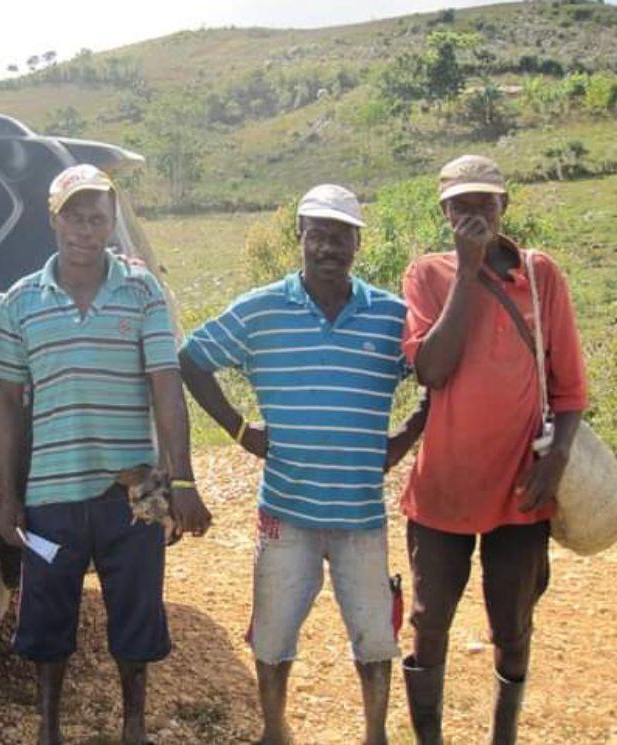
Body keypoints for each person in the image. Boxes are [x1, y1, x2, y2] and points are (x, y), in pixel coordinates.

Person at [179, 184, 426, 745]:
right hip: (285, 510)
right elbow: (191, 359)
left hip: (361, 514)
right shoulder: (261, 309)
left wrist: (405, 437)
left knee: (374, 637)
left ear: (358, 243)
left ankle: (375, 735)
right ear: (300, 238)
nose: (328, 248)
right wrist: (241, 431)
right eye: (318, 235)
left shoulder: (392, 316)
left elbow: (439, 373)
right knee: (272, 636)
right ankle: (274, 731)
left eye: (341, 236)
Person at [0, 164, 213, 745]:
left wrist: (180, 481)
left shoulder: (142, 291)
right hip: (51, 491)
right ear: (53, 219)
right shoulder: (20, 301)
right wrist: (8, 496)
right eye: (75, 216)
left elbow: (166, 383)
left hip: (133, 493)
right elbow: (7, 403)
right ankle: (48, 727)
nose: (86, 229)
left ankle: (133, 724)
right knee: (48, 615)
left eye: (98, 218)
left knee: (136, 612)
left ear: (111, 225)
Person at [399, 155, 586, 745]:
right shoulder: (426, 274)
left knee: (513, 622)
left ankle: (502, 735)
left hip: (521, 486)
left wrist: (555, 462)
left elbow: (571, 385)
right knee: (430, 623)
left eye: (485, 201)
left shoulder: (541, 273)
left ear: (504, 205)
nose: (473, 212)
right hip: (444, 488)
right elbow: (431, 367)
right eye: (461, 204)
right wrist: (468, 269)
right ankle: (429, 738)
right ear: (444, 212)